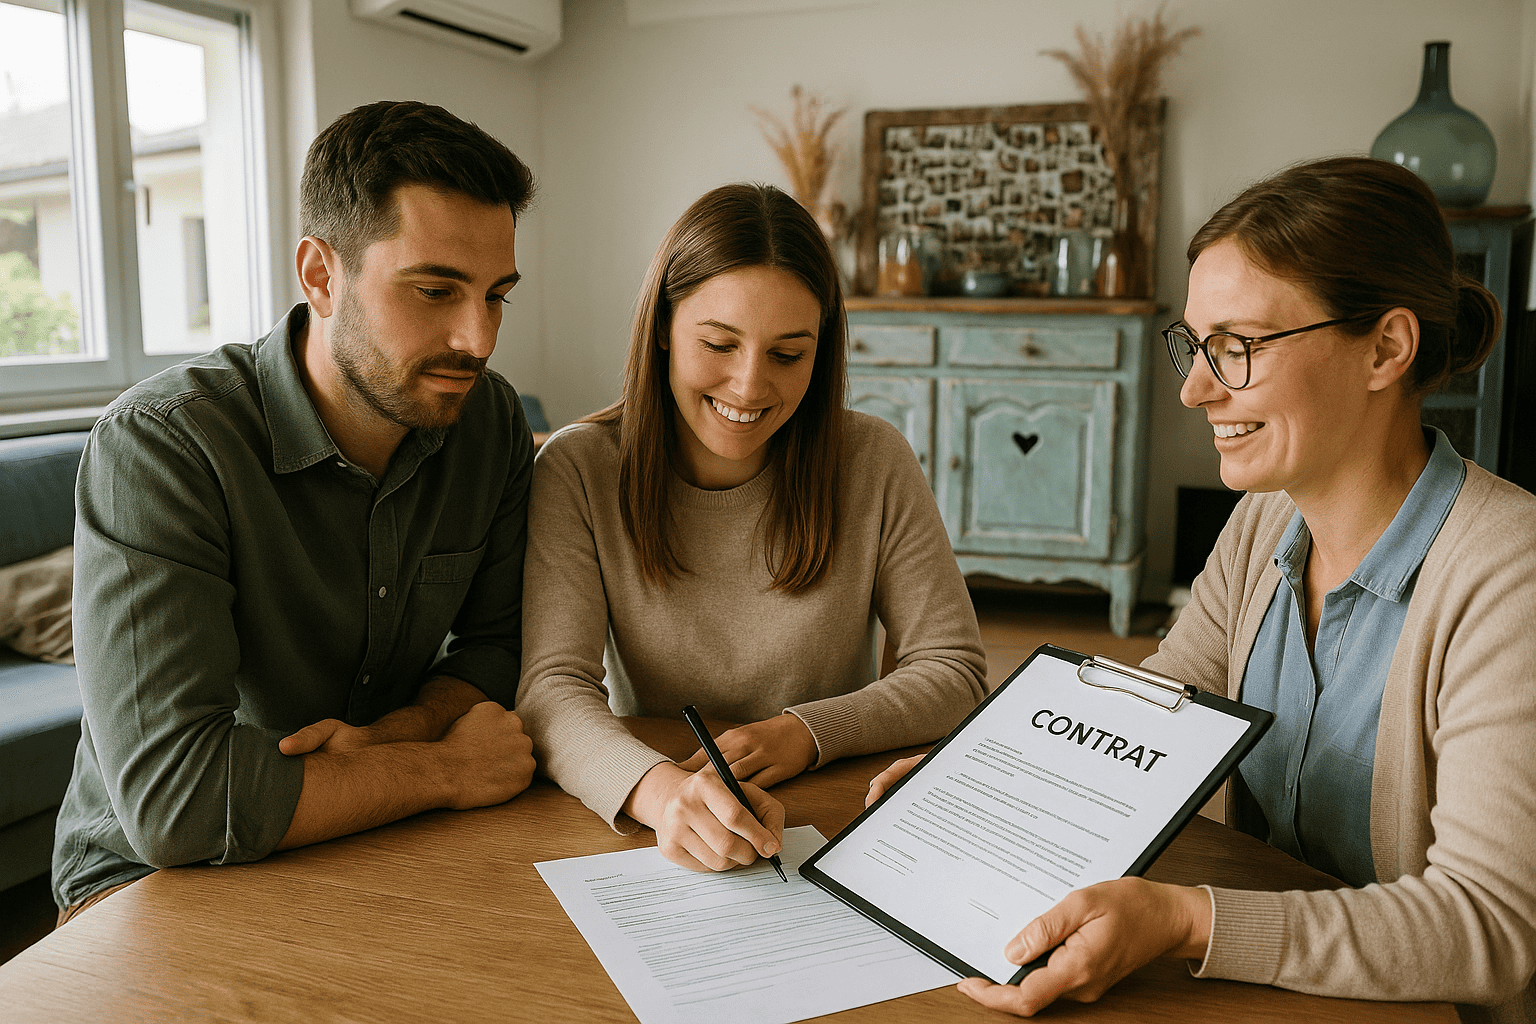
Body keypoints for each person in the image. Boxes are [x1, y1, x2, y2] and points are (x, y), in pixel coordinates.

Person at [867, 156, 1536, 1020]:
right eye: (1196, 343)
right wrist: (989, 781)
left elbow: (1488, 928)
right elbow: (1157, 706)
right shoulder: (1264, 522)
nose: (1194, 388)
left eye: (1239, 346)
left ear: (1385, 347)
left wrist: (1183, 918)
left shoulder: (1508, 574)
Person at [53, 100, 540, 922]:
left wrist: (393, 738)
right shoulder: (166, 447)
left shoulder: (487, 424)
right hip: (156, 881)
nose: (480, 339)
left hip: (377, 834)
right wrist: (443, 768)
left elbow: (495, 648)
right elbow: (176, 803)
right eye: (435, 290)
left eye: (498, 295)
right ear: (321, 275)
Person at [517, 183, 988, 873]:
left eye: (788, 355)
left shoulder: (872, 459)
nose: (748, 386)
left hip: (832, 800)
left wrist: (806, 731)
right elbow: (552, 690)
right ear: (662, 331)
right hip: (656, 798)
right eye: (718, 343)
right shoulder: (578, 468)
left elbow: (956, 671)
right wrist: (661, 793)